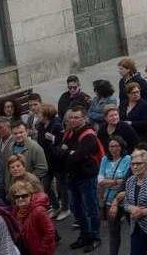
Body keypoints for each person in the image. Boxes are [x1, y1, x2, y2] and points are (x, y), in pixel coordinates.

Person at [62, 106, 102, 252]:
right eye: (71, 117)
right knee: (76, 208)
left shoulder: (88, 135)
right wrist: (69, 153)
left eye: (76, 117)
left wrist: (68, 152)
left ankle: (95, 237)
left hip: (86, 177)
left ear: (84, 118)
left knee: (91, 208)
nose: (73, 120)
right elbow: (60, 152)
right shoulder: (69, 133)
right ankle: (85, 235)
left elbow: (76, 157)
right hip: (73, 176)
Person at [98, 136, 130, 255]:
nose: (114, 148)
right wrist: (116, 181)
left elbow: (127, 181)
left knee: (135, 231)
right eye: (111, 146)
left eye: (117, 146)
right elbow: (100, 180)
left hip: (126, 200)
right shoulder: (105, 159)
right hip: (109, 200)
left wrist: (108, 181)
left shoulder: (128, 159)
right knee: (113, 234)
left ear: (121, 147)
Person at [10, 179, 55, 255]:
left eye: (24, 196)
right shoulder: (16, 210)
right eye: (16, 196)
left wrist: (42, 250)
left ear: (31, 195)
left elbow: (49, 232)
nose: (20, 199)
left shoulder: (39, 211)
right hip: (26, 249)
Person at [4, 121, 47, 187]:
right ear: (12, 134)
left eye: (21, 132)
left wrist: (27, 180)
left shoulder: (35, 147)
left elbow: (42, 168)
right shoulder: (10, 147)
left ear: (26, 132)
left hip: (31, 186)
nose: (18, 135)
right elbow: (8, 170)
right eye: (15, 133)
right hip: (15, 185)